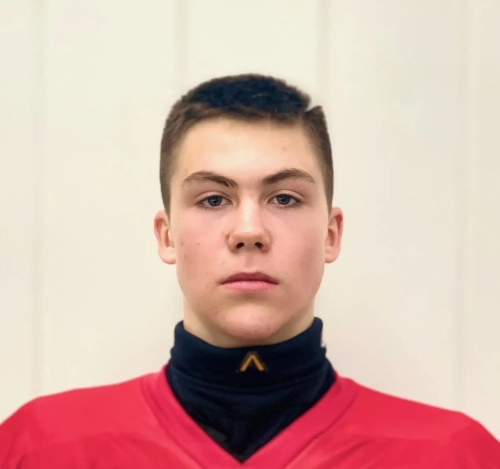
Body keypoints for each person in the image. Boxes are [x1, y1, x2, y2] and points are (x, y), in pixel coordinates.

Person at [1, 74, 499, 468]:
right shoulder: (38, 448)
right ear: (167, 235)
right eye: (213, 199)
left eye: (284, 198)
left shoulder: (456, 456)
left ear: (331, 234)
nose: (249, 231)